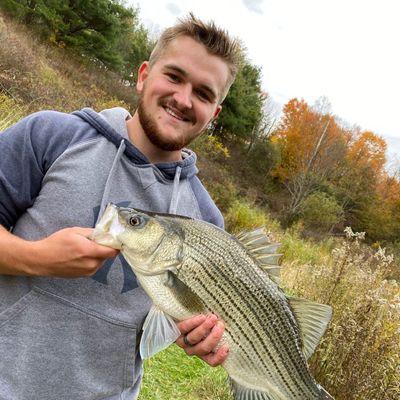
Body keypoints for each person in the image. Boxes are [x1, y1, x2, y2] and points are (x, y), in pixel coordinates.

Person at [0, 13, 241, 400]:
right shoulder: (52, 136)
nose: (183, 99)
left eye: (203, 93)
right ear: (144, 74)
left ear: (213, 113)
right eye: (174, 77)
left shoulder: (206, 223)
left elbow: (186, 320)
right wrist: (35, 257)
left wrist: (195, 335)